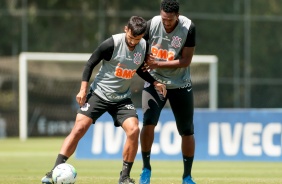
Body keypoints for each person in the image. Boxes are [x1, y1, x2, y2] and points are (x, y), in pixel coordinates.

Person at [41, 16, 167, 184]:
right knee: (79, 128)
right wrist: (83, 89)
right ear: (126, 29)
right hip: (99, 94)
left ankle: (124, 177)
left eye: (137, 39)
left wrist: (155, 81)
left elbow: (139, 70)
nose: (133, 42)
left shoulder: (143, 46)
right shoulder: (111, 44)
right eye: (131, 38)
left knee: (134, 130)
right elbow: (90, 63)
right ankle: (53, 172)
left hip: (122, 99)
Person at [138, 0, 196, 184]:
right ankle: (146, 169)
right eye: (164, 18)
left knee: (187, 130)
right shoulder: (151, 24)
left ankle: (187, 176)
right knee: (148, 123)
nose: (166, 22)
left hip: (180, 83)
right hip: (155, 82)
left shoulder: (188, 27)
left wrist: (158, 63)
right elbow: (139, 51)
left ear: (177, 16)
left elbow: (186, 61)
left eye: (170, 20)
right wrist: (149, 66)